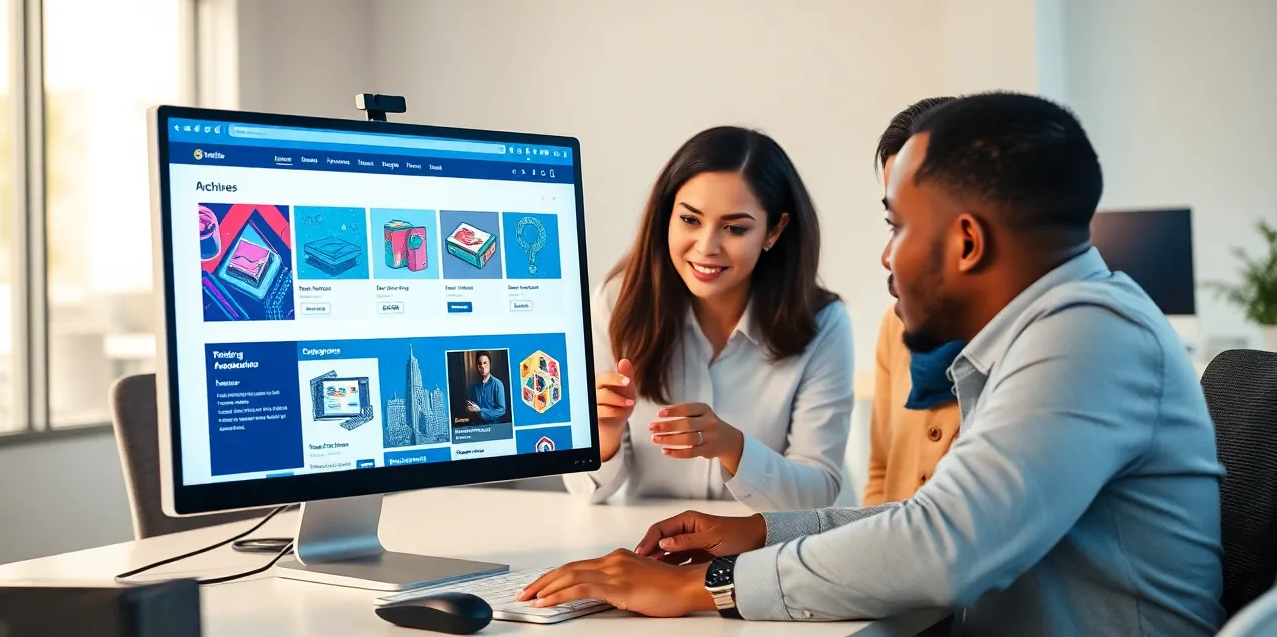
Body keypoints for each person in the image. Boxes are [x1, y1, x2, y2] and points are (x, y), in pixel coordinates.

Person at [521, 93, 1225, 636]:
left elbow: (941, 548)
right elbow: (927, 517)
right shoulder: (1052, 328)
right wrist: (762, 531)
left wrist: (704, 585)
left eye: (896, 225)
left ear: (968, 241)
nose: (886, 257)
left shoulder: (1087, 338)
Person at [564, 126, 854, 511]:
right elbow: (588, 491)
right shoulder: (618, 302)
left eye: (735, 228)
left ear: (775, 230)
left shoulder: (824, 324)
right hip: (650, 550)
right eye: (690, 220)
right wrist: (604, 435)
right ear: (667, 215)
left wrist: (733, 447)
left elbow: (818, 491)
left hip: (763, 557)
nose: (706, 247)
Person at [864, 96, 965, 506]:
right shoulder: (896, 323)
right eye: (892, 222)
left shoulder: (1025, 348)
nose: (888, 257)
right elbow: (879, 473)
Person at [466, 351, 506, 422]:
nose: (482, 366)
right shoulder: (474, 386)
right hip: (477, 425)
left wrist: (480, 411)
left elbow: (501, 410)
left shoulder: (497, 384)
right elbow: (471, 405)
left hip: (494, 425)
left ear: (490, 364)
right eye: (479, 364)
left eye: (485, 363)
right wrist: (469, 409)